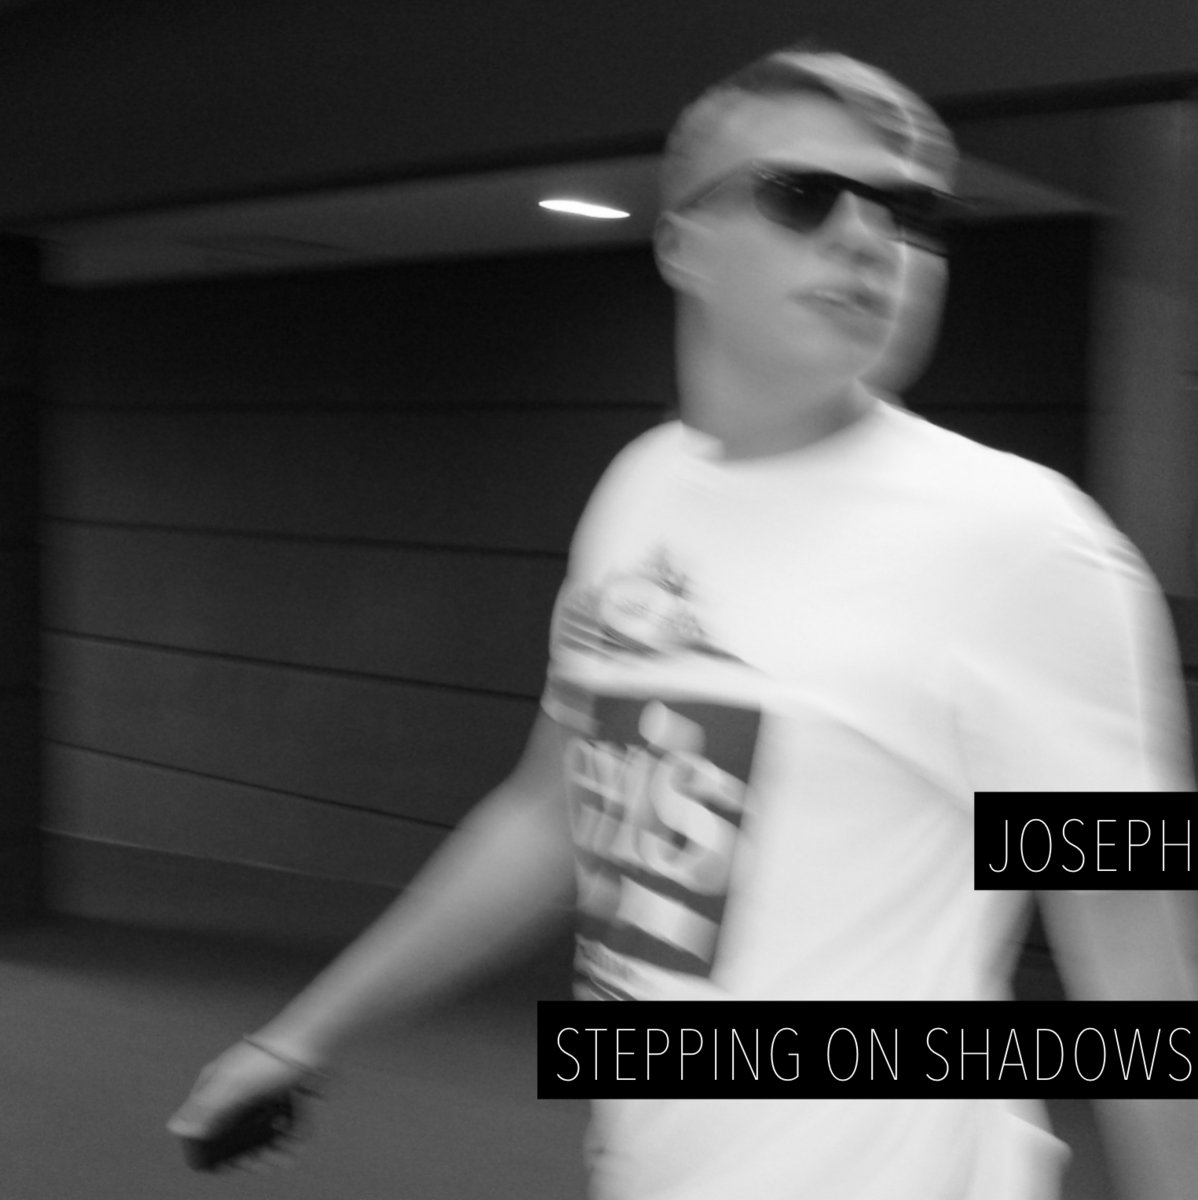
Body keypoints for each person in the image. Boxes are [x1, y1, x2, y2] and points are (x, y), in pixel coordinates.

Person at [169, 43, 1196, 1199]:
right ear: (681, 243)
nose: (869, 238)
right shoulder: (642, 491)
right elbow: (551, 808)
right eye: (803, 195)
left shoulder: (1019, 546)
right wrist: (302, 1036)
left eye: (908, 212)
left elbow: (1138, 963)